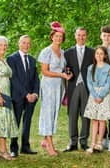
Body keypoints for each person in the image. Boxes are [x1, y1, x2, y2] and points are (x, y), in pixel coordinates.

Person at [38, 21, 72, 156]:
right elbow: (44, 71)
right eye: (56, 36)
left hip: (60, 86)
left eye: (60, 36)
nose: (58, 38)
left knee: (54, 114)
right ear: (52, 36)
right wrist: (60, 74)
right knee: (48, 113)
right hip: (49, 86)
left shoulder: (63, 52)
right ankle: (50, 146)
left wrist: (68, 75)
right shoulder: (46, 51)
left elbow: (65, 69)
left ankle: (46, 140)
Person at [7, 35, 39, 157]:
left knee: (28, 121)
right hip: (18, 96)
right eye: (24, 43)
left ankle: (25, 146)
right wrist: (26, 94)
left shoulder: (32, 59)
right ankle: (13, 148)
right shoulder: (11, 59)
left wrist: (35, 93)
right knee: (16, 121)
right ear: (19, 44)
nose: (26, 45)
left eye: (28, 43)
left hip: (31, 98)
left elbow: (36, 78)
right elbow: (14, 79)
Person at [63, 27, 94, 152]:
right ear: (75, 36)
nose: (81, 37)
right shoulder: (67, 52)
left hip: (87, 86)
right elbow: (65, 69)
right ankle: (73, 142)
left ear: (86, 37)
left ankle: (84, 141)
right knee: (72, 114)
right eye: (79, 35)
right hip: (73, 85)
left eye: (83, 35)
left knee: (86, 115)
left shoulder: (92, 52)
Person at [84, 46, 110, 153]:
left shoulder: (109, 68)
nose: (99, 56)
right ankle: (93, 144)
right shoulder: (91, 68)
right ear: (94, 55)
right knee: (94, 120)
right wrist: (95, 96)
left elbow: (108, 83)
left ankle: (100, 143)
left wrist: (101, 96)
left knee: (102, 120)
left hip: (105, 96)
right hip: (94, 95)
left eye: (101, 54)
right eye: (97, 53)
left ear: (105, 56)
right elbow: (89, 83)